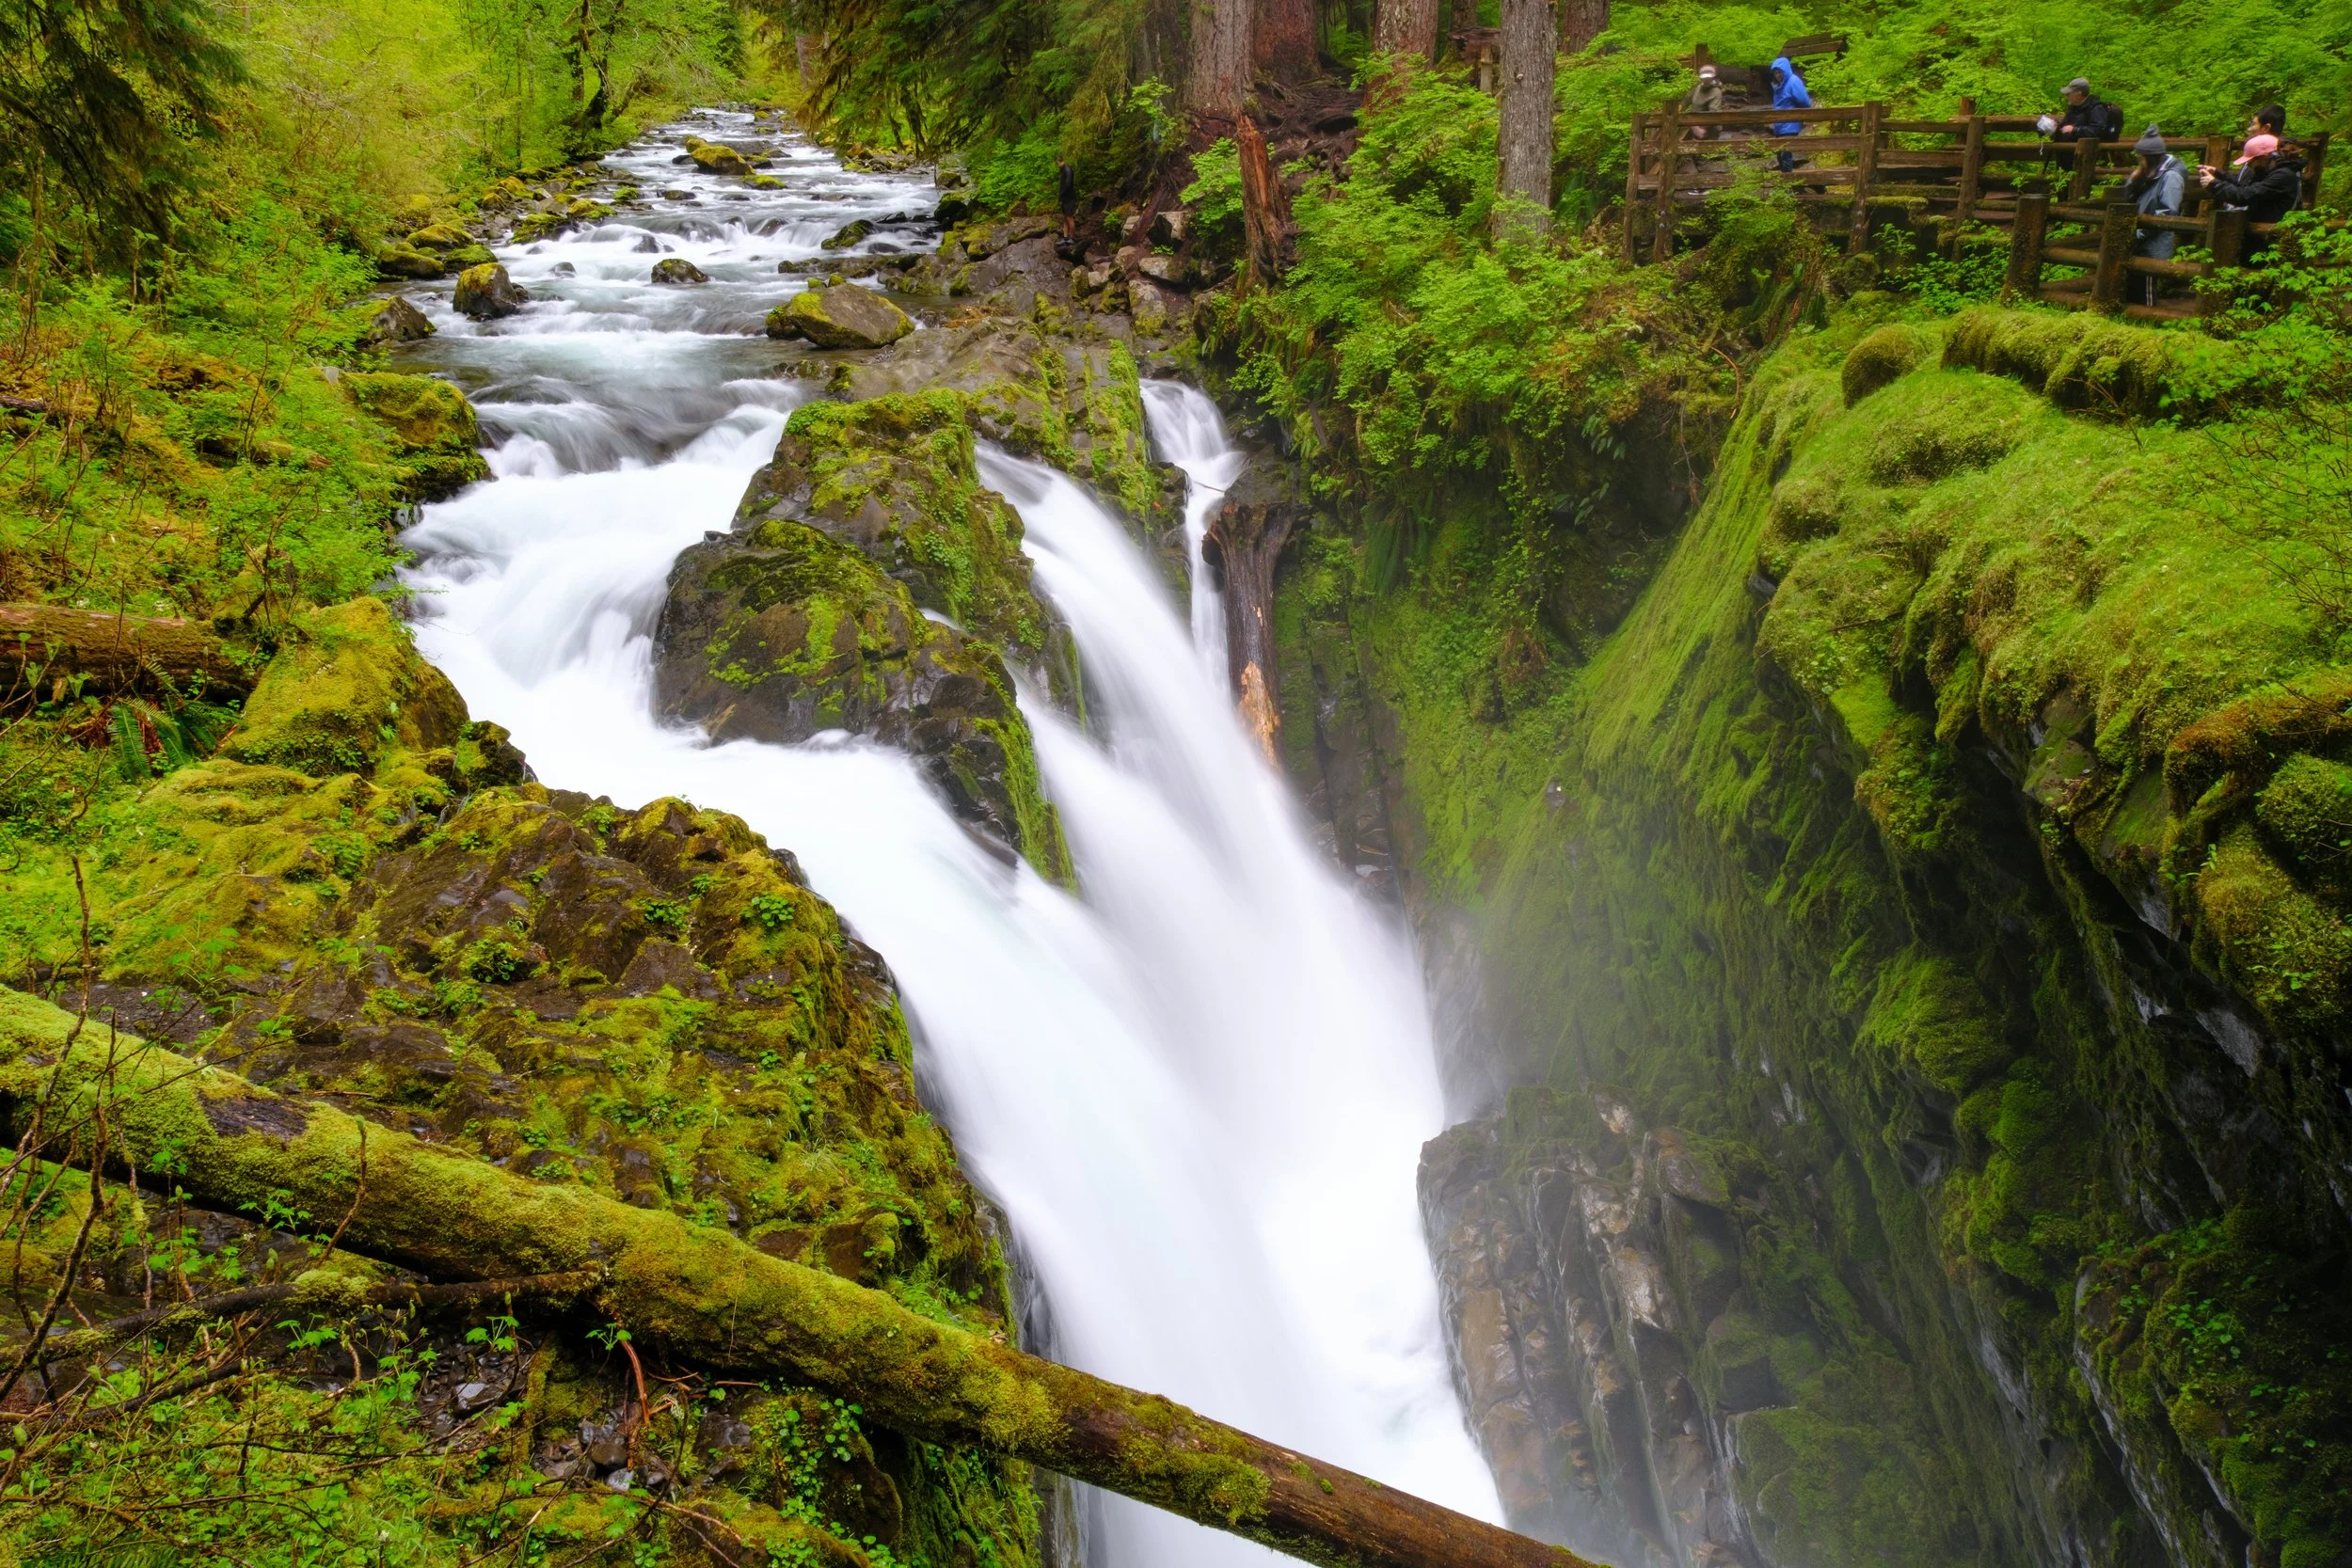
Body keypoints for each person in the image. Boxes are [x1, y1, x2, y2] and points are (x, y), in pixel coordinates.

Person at [2199, 133, 2302, 245]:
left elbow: (2245, 196)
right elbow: (2246, 188)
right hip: (2262, 235)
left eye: (2251, 160)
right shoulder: (2268, 171)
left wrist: (2215, 184)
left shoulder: (2282, 176)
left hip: (2270, 239)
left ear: (2265, 157)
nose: (2248, 164)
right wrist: (2219, 174)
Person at [2124, 126, 2185, 306]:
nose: (2139, 162)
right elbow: (2128, 197)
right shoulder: (2149, 175)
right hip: (2141, 239)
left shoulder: (2171, 177)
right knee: (2134, 286)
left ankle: (2149, 320)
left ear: (2150, 158)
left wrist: (2140, 232)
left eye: (2141, 158)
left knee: (2146, 290)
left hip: (2153, 242)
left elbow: (2168, 212)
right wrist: (2134, 182)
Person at [1768, 55, 1810, 172]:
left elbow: (1804, 101)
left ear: (1785, 70)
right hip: (1780, 125)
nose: (1778, 75)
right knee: (1780, 154)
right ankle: (1786, 183)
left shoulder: (1793, 82)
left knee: (1785, 154)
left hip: (1790, 124)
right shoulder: (1779, 85)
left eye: (1780, 72)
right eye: (1776, 73)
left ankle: (1788, 185)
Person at [1684, 64, 1724, 138]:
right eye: (1704, 78)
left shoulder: (1716, 92)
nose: (1706, 80)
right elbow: (1686, 100)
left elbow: (1713, 113)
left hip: (1710, 128)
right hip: (1696, 124)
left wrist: (1701, 129)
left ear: (1713, 78)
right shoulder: (1698, 87)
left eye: (1708, 78)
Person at [1057, 160, 1078, 243]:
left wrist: (1061, 194)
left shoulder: (1068, 170)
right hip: (1064, 198)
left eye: (1058, 162)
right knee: (1064, 218)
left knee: (1069, 217)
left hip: (1069, 198)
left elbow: (1068, 184)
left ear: (1063, 161)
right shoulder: (1063, 170)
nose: (1058, 164)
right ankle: (1065, 237)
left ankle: (1072, 237)